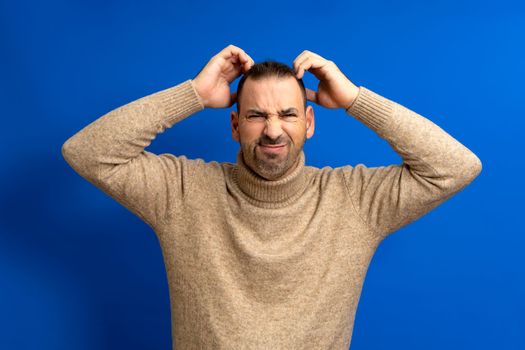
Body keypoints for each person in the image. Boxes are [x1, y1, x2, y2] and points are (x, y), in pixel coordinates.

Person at [61, 44, 482, 349]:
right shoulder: (181, 191)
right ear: (234, 125)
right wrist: (191, 94)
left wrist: (356, 99)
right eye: (257, 115)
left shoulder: (354, 200)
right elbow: (87, 153)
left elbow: (456, 166)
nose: (274, 130)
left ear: (310, 122)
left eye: (287, 114)